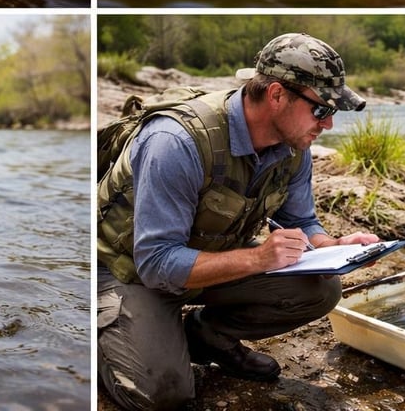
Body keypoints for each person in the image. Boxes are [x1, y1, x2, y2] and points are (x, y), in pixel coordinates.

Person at [96, 33, 379, 411]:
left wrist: (332, 246)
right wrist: (260, 259)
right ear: (277, 95)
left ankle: (205, 338)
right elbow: (156, 263)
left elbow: (301, 219)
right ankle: (108, 334)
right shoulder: (176, 142)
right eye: (321, 110)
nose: (327, 125)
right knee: (162, 396)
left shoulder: (294, 146)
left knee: (321, 289)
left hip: (204, 259)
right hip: (128, 270)